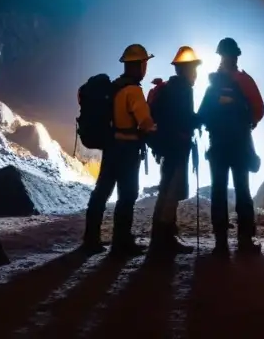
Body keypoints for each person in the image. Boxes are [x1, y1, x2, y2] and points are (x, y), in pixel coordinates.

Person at [81, 43, 157, 256]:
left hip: (111, 147)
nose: (145, 68)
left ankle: (91, 239)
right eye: (144, 63)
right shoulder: (133, 91)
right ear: (139, 65)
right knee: (127, 195)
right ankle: (121, 242)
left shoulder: (115, 87)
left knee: (102, 192)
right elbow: (145, 123)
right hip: (127, 150)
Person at [197, 37, 264, 256]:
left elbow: (203, 113)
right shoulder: (244, 81)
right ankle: (244, 241)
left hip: (218, 144)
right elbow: (259, 108)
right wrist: (249, 123)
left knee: (220, 190)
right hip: (240, 144)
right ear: (235, 56)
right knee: (242, 190)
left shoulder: (214, 83)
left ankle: (221, 244)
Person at [148, 46, 201, 256]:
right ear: (186, 69)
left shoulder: (171, 88)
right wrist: (203, 118)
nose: (195, 74)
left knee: (167, 190)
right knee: (170, 192)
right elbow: (184, 119)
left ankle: (163, 237)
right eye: (194, 69)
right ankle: (162, 242)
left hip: (168, 147)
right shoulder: (182, 90)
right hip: (176, 147)